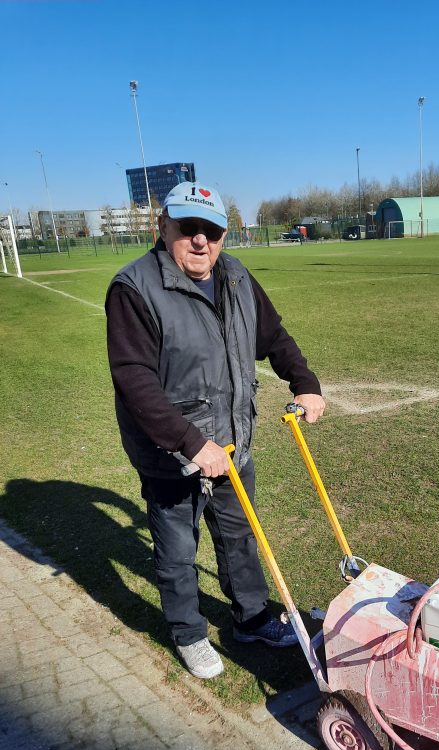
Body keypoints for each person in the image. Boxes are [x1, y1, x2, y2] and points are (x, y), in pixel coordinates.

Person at [105, 183, 325, 679]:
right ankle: (189, 633)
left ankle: (253, 619)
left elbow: (273, 336)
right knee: (178, 550)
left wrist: (304, 382)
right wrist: (190, 442)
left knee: (239, 536)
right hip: (173, 453)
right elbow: (134, 379)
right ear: (164, 227)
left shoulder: (237, 276)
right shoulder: (134, 288)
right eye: (189, 228)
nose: (201, 241)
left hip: (232, 440)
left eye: (212, 231)